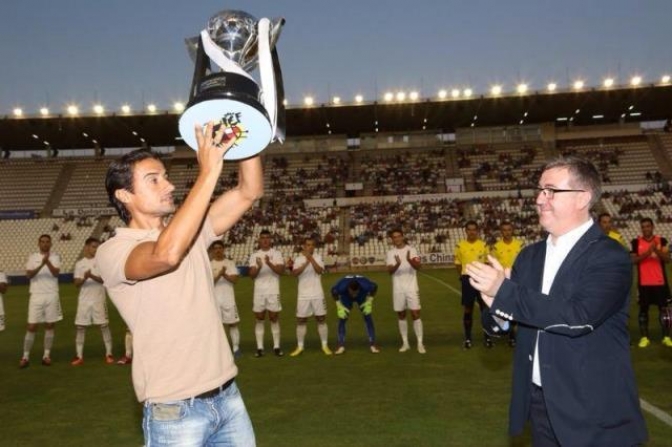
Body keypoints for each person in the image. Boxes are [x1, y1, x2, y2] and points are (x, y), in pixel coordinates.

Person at [96, 121, 261, 446]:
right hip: (174, 409)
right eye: (153, 180)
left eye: (166, 176)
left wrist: (248, 131)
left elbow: (249, 191)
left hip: (228, 396)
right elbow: (165, 255)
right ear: (124, 195)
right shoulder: (113, 250)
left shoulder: (191, 231)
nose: (168, 185)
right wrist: (208, 171)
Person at [466, 156, 647, 446]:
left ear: (582, 197)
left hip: (593, 410)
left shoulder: (609, 256)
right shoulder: (529, 256)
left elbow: (579, 318)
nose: (539, 199)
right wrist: (497, 309)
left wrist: (505, 293)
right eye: (539, 190)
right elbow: (500, 321)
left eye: (550, 190)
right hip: (540, 407)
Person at [20, 234, 62, 368]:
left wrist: (48, 262)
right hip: (36, 295)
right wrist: (42, 264)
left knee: (50, 325)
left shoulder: (55, 257)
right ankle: (25, 356)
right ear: (38, 244)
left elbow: (56, 273)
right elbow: (29, 275)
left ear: (50, 244)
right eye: (42, 242)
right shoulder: (32, 258)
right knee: (32, 326)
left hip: (51, 294)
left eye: (47, 242)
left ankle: (46, 355)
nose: (45, 244)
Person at [71, 237, 114, 365]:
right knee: (80, 327)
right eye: (94, 246)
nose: (96, 249)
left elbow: (104, 280)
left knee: (104, 326)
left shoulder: (102, 262)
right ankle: (79, 356)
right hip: (84, 300)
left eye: (97, 247)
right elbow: (76, 284)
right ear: (87, 247)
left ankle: (109, 354)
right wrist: (84, 278)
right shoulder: (80, 264)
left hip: (98, 300)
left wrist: (91, 276)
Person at [630, 217, 672, 348]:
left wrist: (657, 250)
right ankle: (644, 338)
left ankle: (666, 337)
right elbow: (633, 261)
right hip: (644, 283)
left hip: (660, 282)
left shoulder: (661, 240)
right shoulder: (636, 242)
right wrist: (648, 252)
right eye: (643, 227)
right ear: (641, 228)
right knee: (643, 310)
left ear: (652, 227)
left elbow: (667, 259)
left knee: (664, 311)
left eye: (648, 226)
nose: (646, 229)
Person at [289, 237, 332, 356]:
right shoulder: (298, 259)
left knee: (321, 319)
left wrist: (311, 259)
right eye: (308, 245)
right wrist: (306, 262)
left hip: (317, 293)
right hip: (303, 295)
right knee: (301, 320)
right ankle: (300, 346)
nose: (310, 247)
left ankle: (324, 345)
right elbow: (294, 273)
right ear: (304, 246)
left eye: (312, 245)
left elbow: (319, 271)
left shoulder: (318, 257)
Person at [386, 228, 425, 353]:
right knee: (401, 315)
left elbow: (419, 267)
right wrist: (397, 264)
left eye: (398, 236)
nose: (397, 239)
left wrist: (409, 260)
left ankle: (420, 343)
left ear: (403, 237)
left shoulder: (412, 250)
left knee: (415, 314)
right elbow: (390, 271)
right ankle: (405, 343)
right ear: (392, 239)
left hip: (412, 287)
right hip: (398, 288)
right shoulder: (390, 253)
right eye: (394, 237)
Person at [248, 229, 285, 358]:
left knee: (274, 318)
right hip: (259, 291)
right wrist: (258, 266)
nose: (265, 240)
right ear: (259, 240)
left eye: (267, 238)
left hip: (273, 290)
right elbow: (252, 275)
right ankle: (259, 348)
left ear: (270, 240)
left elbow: (281, 271)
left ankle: (276, 346)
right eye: (262, 238)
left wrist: (268, 262)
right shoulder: (254, 255)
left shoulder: (277, 254)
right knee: (259, 318)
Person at [454, 220, 490, 349]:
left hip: (481, 279)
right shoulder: (460, 246)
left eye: (474, 229)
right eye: (469, 229)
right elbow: (458, 263)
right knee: (468, 309)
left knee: (484, 309)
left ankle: (487, 338)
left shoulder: (483, 245)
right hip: (467, 279)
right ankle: (468, 338)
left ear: (477, 231)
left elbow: (487, 262)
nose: (472, 232)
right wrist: (463, 276)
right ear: (466, 231)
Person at [490, 221, 524, 347]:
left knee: (517, 307)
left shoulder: (520, 245)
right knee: (504, 308)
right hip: (503, 282)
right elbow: (493, 265)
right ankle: (507, 332)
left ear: (512, 230)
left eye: (509, 229)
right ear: (501, 231)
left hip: (517, 281)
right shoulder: (496, 247)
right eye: (504, 230)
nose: (507, 232)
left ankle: (514, 335)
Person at [330, 275, 379, 354]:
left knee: (368, 316)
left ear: (359, 288)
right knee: (342, 318)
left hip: (361, 296)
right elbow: (333, 291)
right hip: (346, 297)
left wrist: (369, 301)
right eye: (352, 292)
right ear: (348, 288)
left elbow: (375, 286)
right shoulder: (342, 287)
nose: (354, 295)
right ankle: (341, 345)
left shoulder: (365, 285)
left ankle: (373, 344)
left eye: (355, 292)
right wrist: (339, 306)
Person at [210, 240, 242, 357]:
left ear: (223, 249)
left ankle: (236, 348)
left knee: (232, 323)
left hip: (228, 298)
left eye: (220, 248)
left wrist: (224, 274)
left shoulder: (230, 263)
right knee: (217, 326)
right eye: (216, 248)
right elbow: (209, 283)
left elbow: (235, 280)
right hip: (215, 300)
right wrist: (220, 274)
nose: (218, 250)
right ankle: (220, 349)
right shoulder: (209, 264)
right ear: (213, 251)